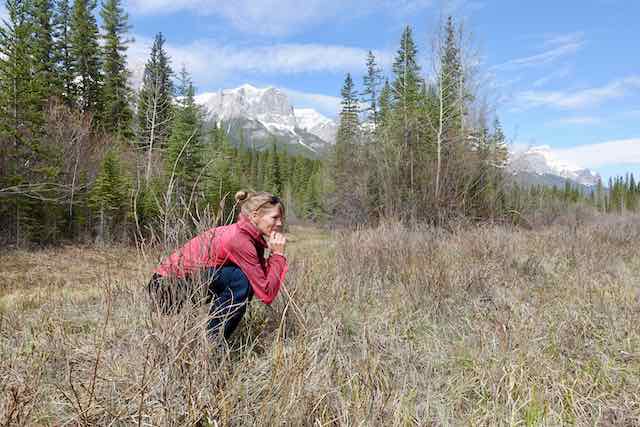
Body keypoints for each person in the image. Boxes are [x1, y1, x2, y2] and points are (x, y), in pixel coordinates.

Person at [147, 190, 287, 342]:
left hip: (167, 286)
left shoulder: (247, 235)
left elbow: (262, 281)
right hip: (164, 289)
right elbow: (266, 293)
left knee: (242, 278)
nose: (280, 223)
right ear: (254, 216)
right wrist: (278, 256)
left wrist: (273, 256)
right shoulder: (240, 240)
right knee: (242, 279)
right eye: (275, 217)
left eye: (281, 218)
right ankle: (214, 343)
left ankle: (211, 338)